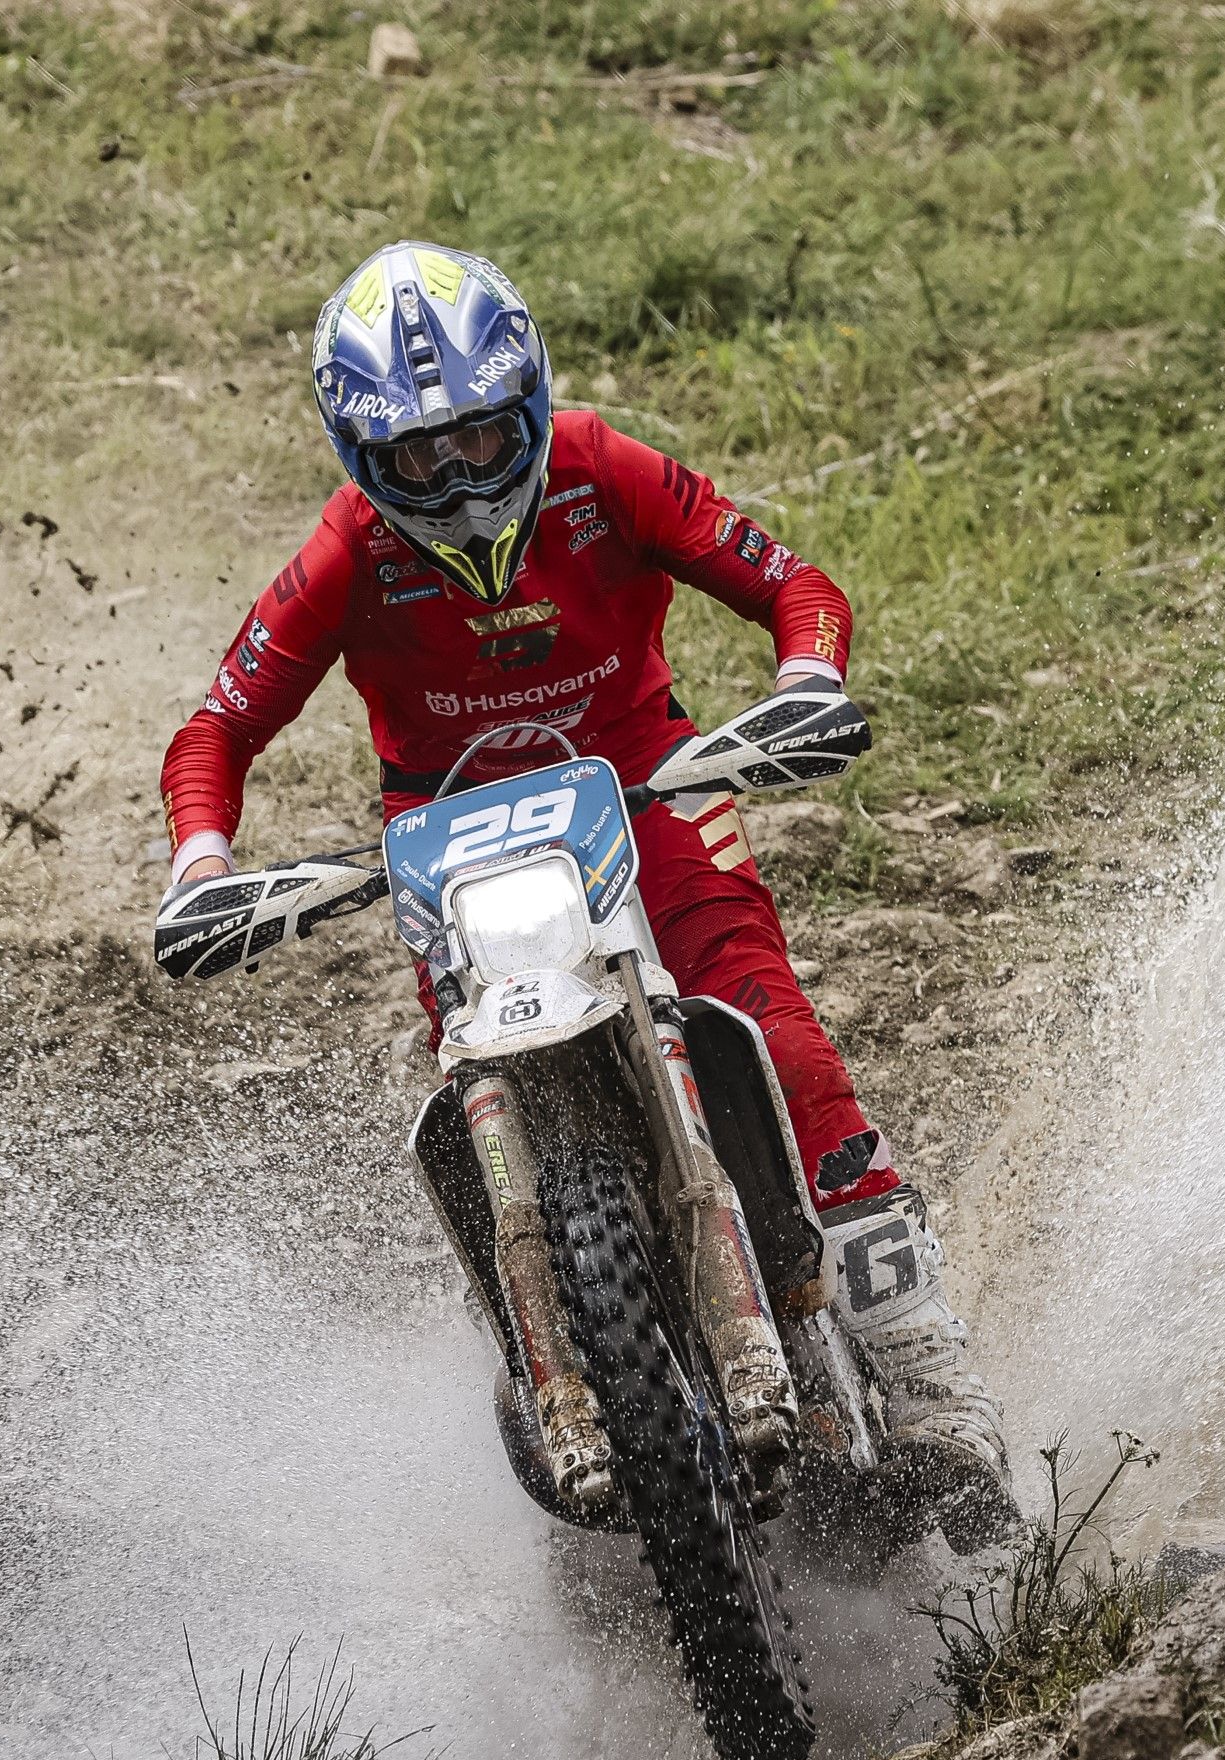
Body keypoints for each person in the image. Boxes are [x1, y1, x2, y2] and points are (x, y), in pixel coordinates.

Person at [156, 240, 1012, 1546]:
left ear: (530, 400)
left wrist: (806, 683)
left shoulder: (603, 471)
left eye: (480, 435)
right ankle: (544, 1353)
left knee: (782, 1044)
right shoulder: (347, 551)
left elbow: (795, 586)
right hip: (448, 851)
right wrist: (202, 865)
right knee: (474, 1094)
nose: (458, 477)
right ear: (360, 454)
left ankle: (937, 1386)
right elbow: (216, 730)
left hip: (649, 794)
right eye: (417, 458)